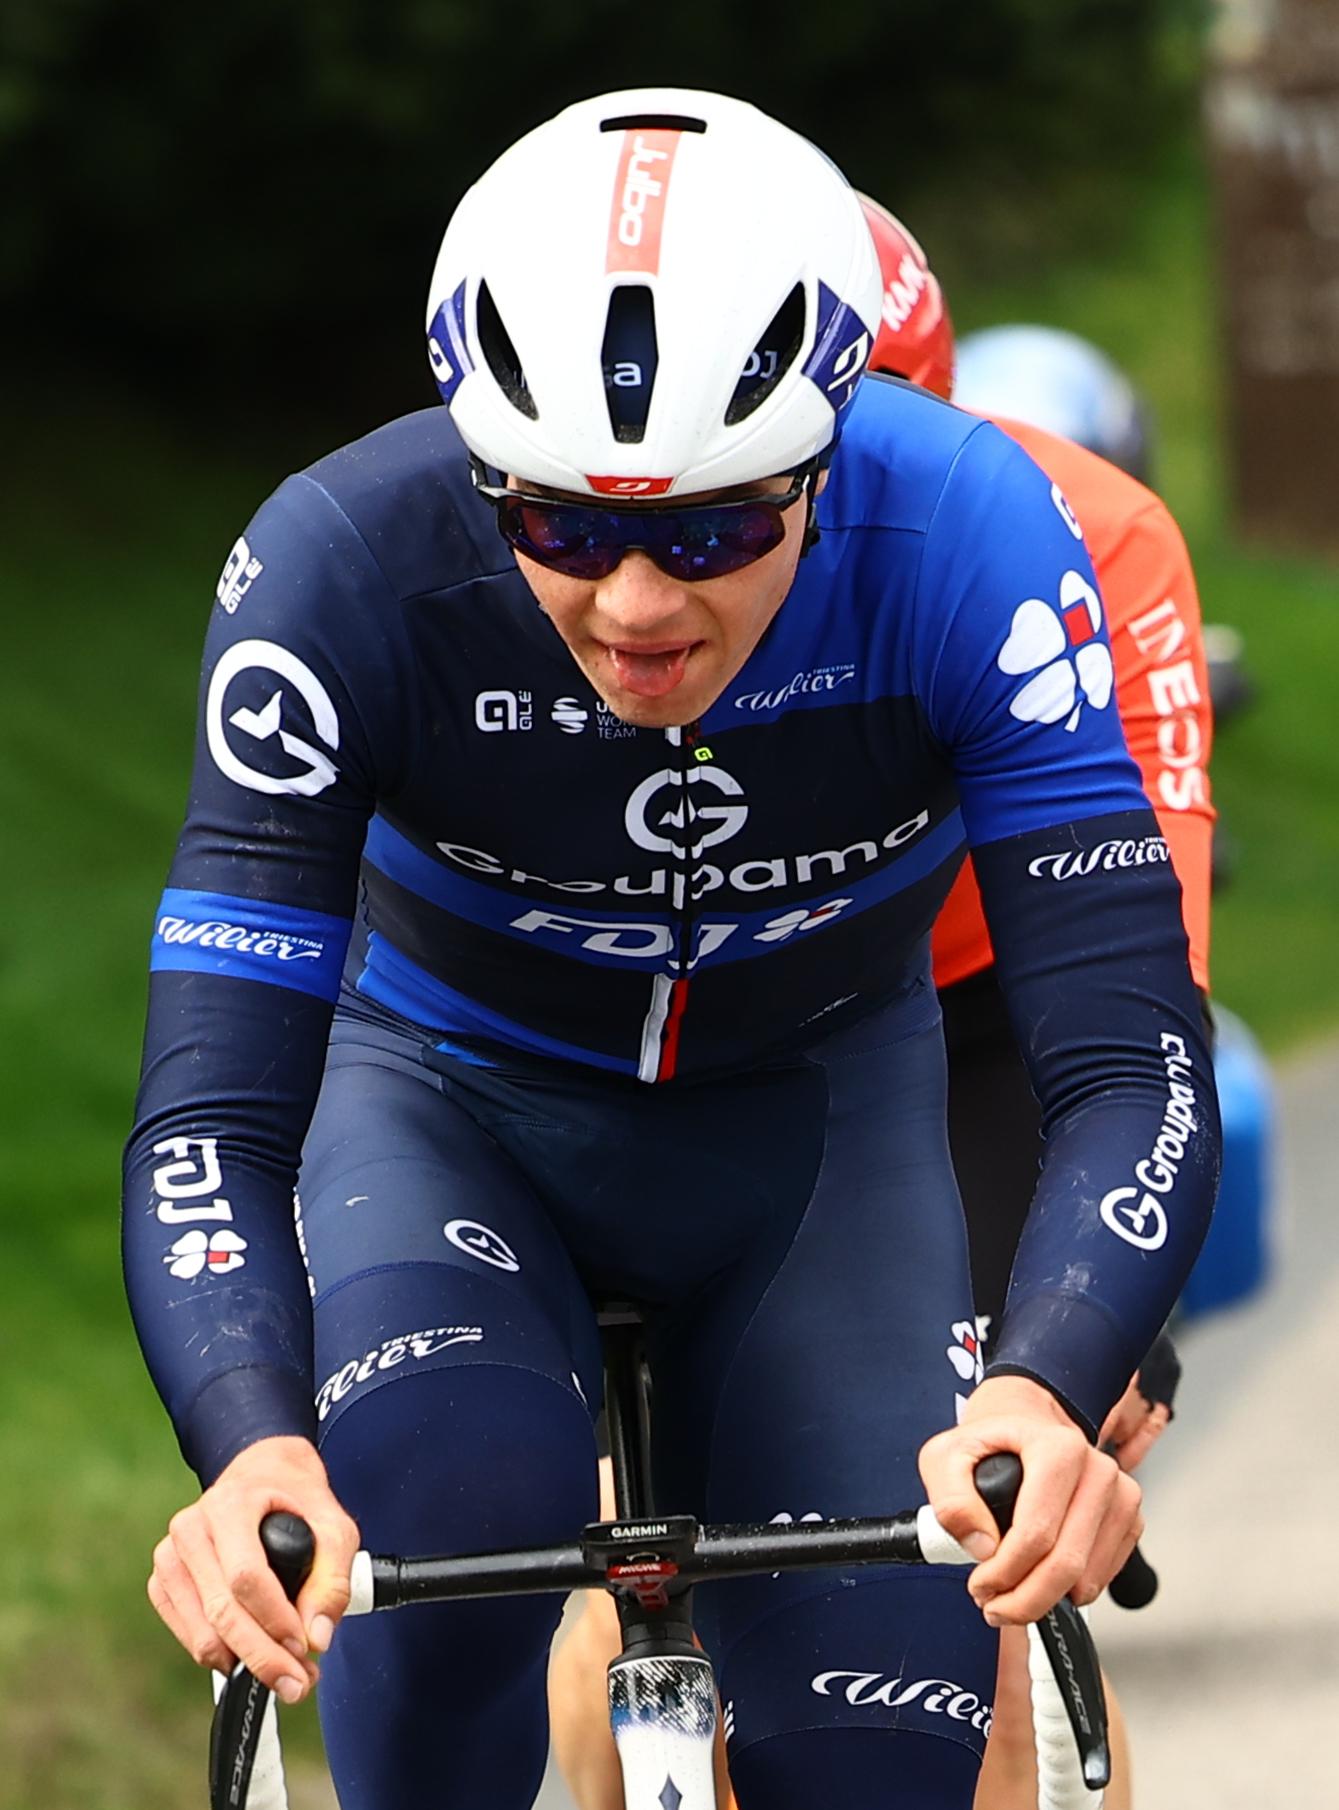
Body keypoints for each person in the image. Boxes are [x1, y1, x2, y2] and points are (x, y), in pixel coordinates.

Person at [125, 89, 1220, 1810]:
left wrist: (1047, 1378)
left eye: (712, 527)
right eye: (561, 522)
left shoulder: (980, 542)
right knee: (438, 1512)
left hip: (818, 1129)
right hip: (446, 1106)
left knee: (894, 1741)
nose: (638, 602)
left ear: (830, 447)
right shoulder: (337, 569)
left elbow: (1128, 1051)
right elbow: (211, 1117)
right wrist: (247, 1435)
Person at [547, 199, 1216, 1810]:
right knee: (604, 1570)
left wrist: (1092, 1312)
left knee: (975, 1546)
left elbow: (1144, 993)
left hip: (977, 1016)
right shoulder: (608, 549)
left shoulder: (1082, 536)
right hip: (665, 1020)